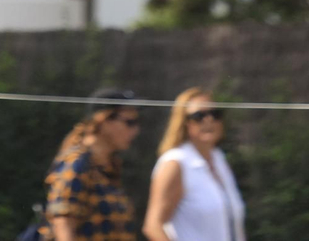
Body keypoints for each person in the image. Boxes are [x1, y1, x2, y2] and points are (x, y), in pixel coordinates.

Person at [39, 88, 142, 241]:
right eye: (130, 122)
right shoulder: (77, 163)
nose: (136, 130)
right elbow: (62, 223)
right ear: (104, 120)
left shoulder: (107, 168)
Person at [143, 88, 245, 241]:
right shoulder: (176, 163)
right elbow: (153, 226)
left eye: (215, 115)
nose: (208, 120)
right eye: (199, 116)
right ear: (184, 123)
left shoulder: (218, 159)